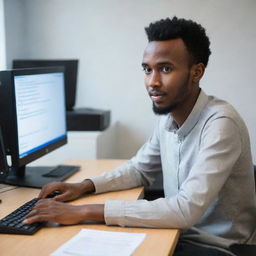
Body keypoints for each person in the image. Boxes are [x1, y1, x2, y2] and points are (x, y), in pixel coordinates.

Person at [23, 17, 256, 256]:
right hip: (181, 232)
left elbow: (185, 210)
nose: (152, 82)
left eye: (165, 69)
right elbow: (139, 169)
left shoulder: (221, 123)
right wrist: (83, 186)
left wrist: (83, 212)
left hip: (221, 247)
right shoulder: (168, 117)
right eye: (147, 69)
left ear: (196, 72)